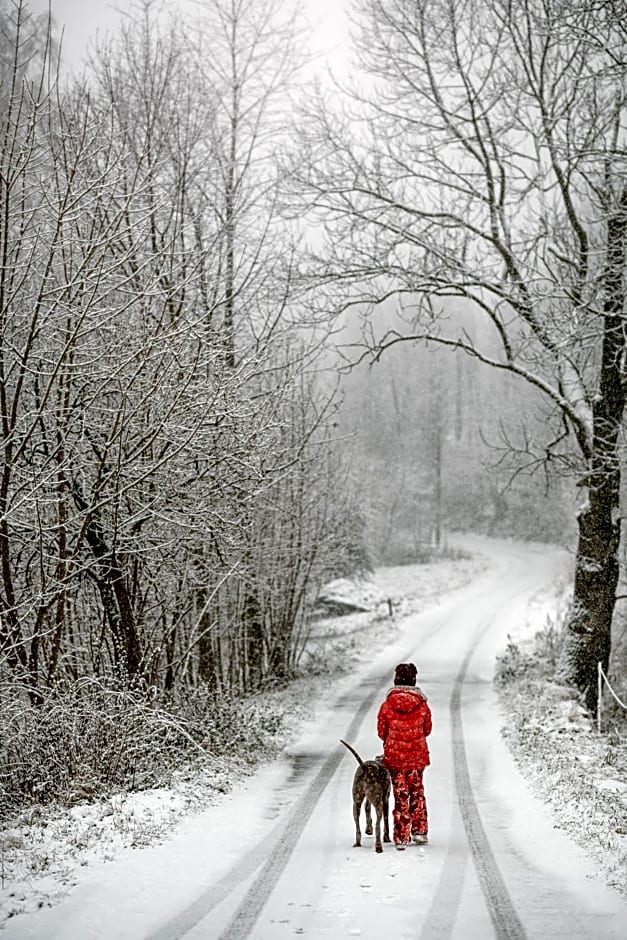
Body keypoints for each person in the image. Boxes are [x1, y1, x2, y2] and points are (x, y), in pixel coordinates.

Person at [377, 662, 432, 850]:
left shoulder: (387, 705)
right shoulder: (422, 705)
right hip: (416, 757)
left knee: (400, 795)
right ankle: (420, 832)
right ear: (414, 680)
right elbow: (427, 729)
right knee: (417, 792)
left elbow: (381, 731)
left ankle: (401, 837)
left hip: (395, 758)